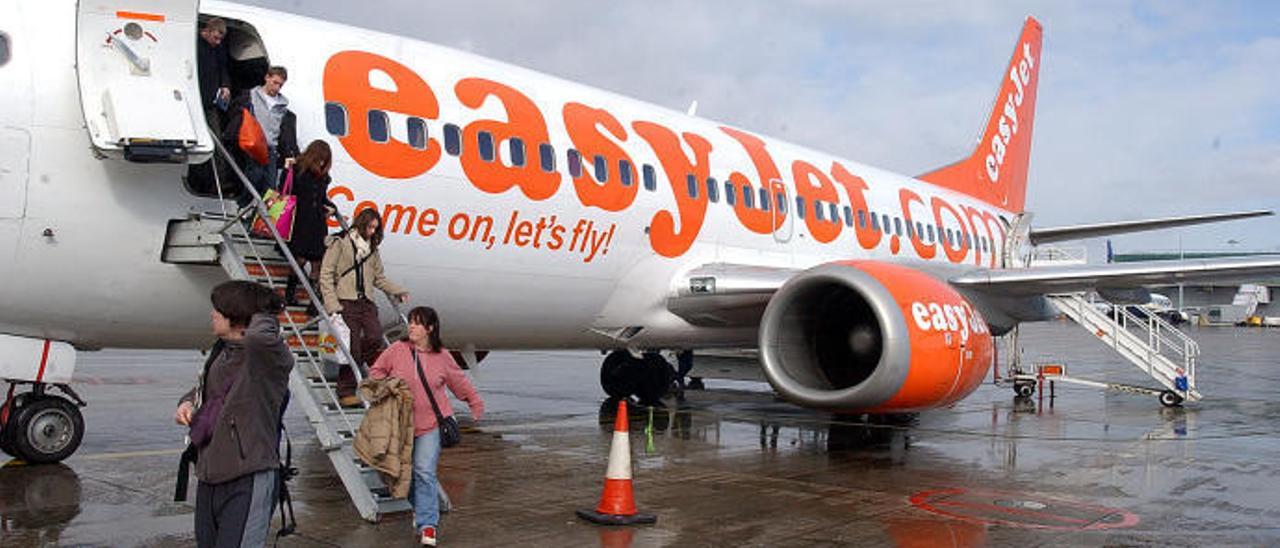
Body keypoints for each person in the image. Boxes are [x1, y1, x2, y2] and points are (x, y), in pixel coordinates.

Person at [174, 281, 294, 548]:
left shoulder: (267, 358)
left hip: (248, 477)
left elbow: (259, 337)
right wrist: (188, 402)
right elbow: (208, 390)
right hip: (210, 476)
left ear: (237, 315)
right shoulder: (222, 352)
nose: (212, 314)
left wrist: (264, 307)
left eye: (219, 309)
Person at [369, 306, 483, 547]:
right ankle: (420, 508)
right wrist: (383, 388)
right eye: (410, 322)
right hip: (401, 426)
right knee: (398, 473)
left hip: (430, 425)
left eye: (417, 323)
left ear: (430, 328)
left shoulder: (442, 356)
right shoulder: (397, 350)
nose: (411, 326)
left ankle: (428, 525)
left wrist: (474, 402)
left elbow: (458, 381)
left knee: (423, 471)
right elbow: (376, 372)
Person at [319, 209, 410, 407]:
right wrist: (332, 304)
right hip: (346, 301)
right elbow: (326, 274)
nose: (371, 232)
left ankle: (369, 377)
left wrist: (398, 290)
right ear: (360, 224)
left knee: (375, 337)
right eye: (369, 227)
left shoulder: (372, 250)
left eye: (375, 229)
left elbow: (379, 278)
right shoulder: (340, 243)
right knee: (352, 346)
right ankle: (346, 390)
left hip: (366, 302)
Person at [224, 66, 300, 207]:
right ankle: (243, 205)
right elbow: (234, 113)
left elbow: (285, 133)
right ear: (267, 78)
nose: (277, 88)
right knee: (254, 176)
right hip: (253, 143)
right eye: (275, 83)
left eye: (280, 85)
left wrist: (289, 153)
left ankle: (262, 217)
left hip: (271, 147)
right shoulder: (250, 96)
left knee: (270, 187)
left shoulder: (282, 107)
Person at [284, 140, 336, 309]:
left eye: (325, 160)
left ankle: (313, 303)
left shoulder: (323, 177)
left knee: (318, 263)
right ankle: (289, 294)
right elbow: (287, 191)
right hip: (301, 221)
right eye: (320, 159)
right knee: (299, 259)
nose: (322, 163)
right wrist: (286, 169)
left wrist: (332, 209)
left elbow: (322, 198)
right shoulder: (298, 170)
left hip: (317, 222)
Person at [187, 17, 233, 196]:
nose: (218, 42)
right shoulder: (193, 44)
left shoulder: (218, 49)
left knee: (216, 141)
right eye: (215, 38)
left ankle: (218, 182)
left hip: (209, 102)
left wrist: (225, 85)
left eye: (221, 39)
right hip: (194, 100)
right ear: (206, 31)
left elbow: (223, 69)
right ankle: (196, 180)